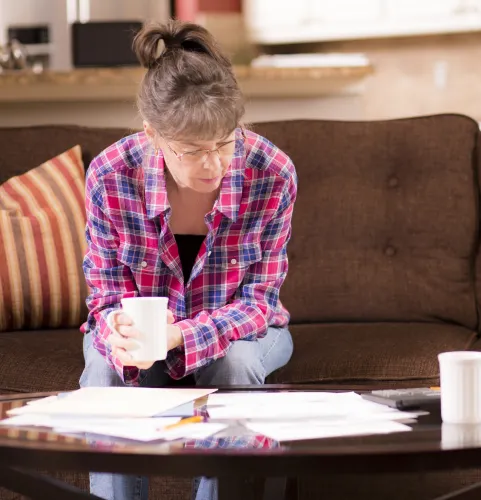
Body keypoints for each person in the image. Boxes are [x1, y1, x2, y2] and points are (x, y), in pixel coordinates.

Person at [78, 19, 296, 500]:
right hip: (147, 340)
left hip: (245, 332)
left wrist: (183, 334)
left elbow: (260, 301)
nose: (214, 165)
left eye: (224, 143)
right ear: (153, 136)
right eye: (193, 151)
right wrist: (120, 331)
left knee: (235, 365)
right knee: (105, 372)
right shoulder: (111, 175)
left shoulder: (271, 172)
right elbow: (106, 295)